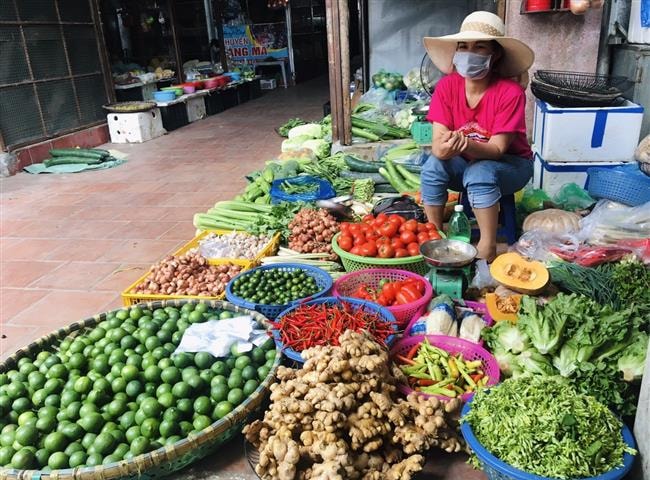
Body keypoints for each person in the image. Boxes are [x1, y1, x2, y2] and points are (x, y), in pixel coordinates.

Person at [421, 11, 535, 262]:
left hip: (512, 165)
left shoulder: (510, 93)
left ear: (495, 56)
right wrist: (447, 148)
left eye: (479, 47)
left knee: (479, 172)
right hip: (466, 161)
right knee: (432, 167)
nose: (469, 53)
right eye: (463, 46)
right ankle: (434, 236)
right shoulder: (446, 87)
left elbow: (497, 149)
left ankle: (487, 246)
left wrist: (466, 144)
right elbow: (439, 148)